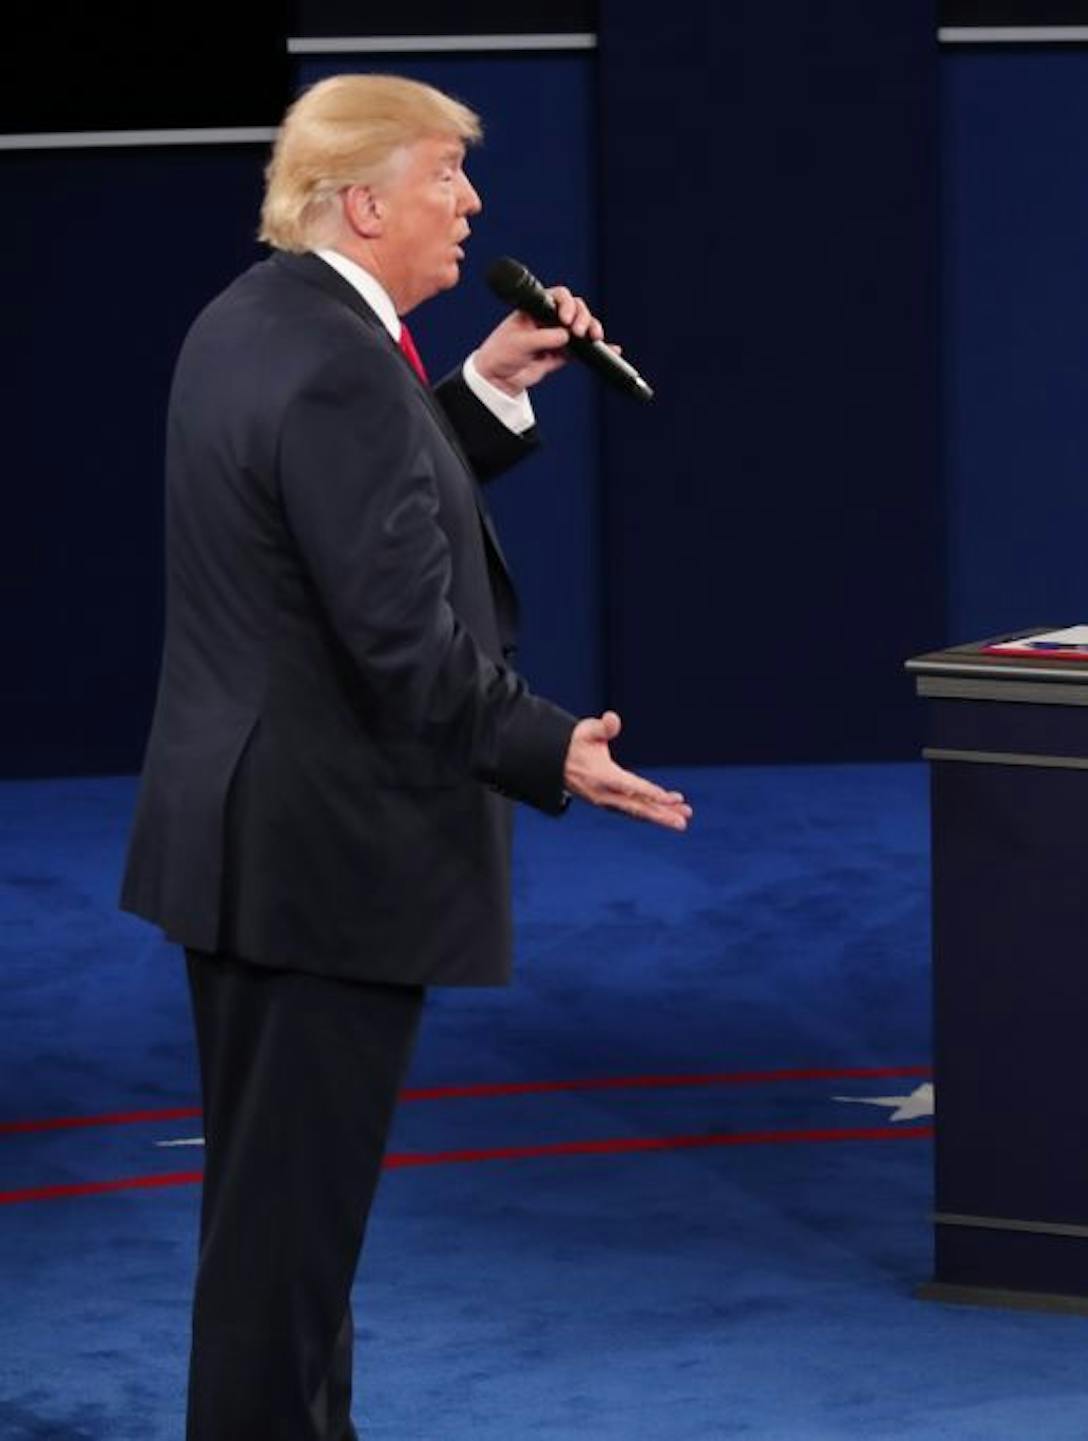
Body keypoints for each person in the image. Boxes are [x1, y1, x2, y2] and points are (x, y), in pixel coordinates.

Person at [118, 73, 693, 1437]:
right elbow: (404, 646)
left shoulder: (253, 322)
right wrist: (554, 750)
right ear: (366, 201)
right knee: (287, 1250)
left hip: (245, 844)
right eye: (447, 175)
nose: (474, 202)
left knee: (276, 1229)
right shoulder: (333, 365)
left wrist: (486, 387)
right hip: (327, 861)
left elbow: (339, 512)